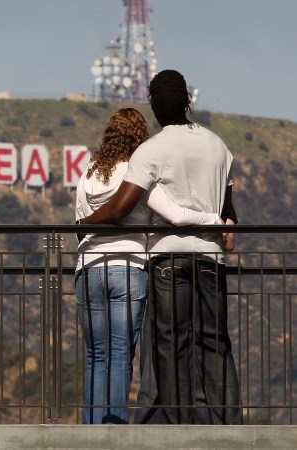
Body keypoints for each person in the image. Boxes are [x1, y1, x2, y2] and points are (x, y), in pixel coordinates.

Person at [79, 70, 241, 424]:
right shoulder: (218, 146)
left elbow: (121, 208)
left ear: (153, 103)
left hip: (168, 258)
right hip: (211, 259)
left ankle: (176, 424)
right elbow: (229, 212)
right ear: (188, 101)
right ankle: (227, 424)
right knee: (215, 342)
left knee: (171, 344)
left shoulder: (151, 151)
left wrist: (82, 225)